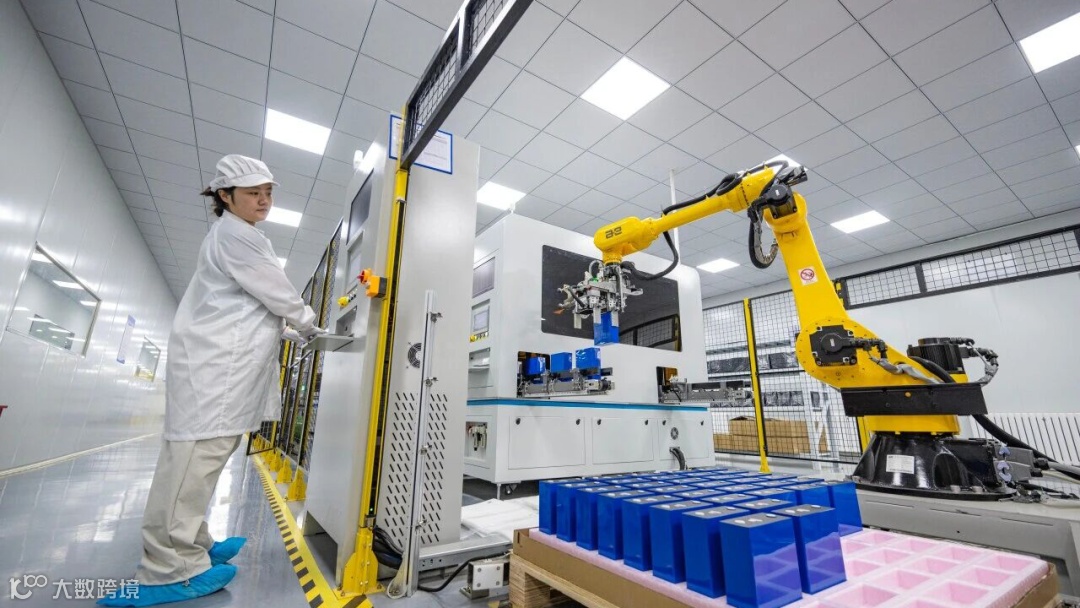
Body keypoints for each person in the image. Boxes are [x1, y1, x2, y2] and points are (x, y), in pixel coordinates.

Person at [100, 154, 325, 606]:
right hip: (214, 375)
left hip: (220, 370)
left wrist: (286, 331)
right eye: (253, 193)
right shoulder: (238, 236)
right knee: (190, 469)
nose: (264, 200)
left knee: (198, 468)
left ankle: (195, 542)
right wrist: (309, 324)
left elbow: (244, 305)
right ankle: (170, 570)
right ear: (225, 195)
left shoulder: (235, 234)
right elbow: (277, 292)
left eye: (268, 192)